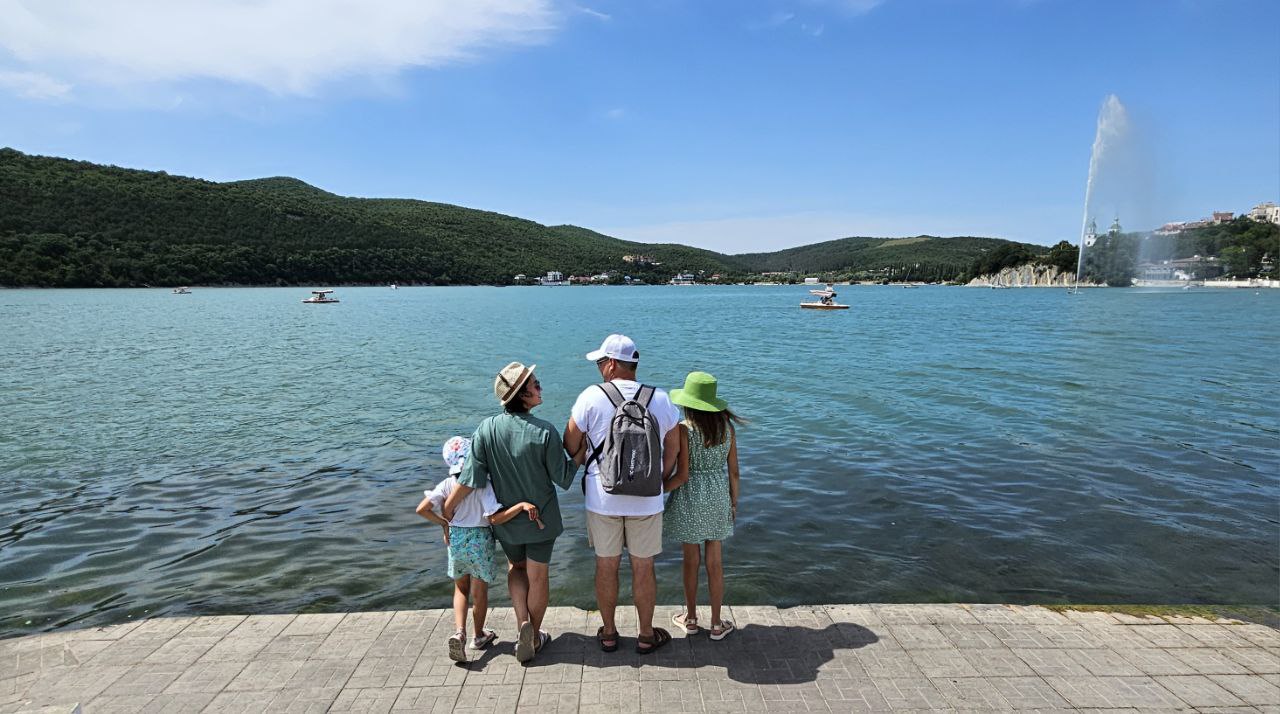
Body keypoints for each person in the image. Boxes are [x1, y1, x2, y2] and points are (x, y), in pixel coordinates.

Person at [443, 362, 577, 664]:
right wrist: (580, 454)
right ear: (523, 395)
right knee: (538, 577)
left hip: (505, 520)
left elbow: (470, 479)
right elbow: (565, 478)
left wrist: (448, 507)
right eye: (535, 384)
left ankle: (522, 626)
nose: (540, 387)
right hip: (542, 520)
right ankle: (536, 634)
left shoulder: (486, 429)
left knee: (516, 569)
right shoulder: (545, 431)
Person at [564, 334, 681, 654]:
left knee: (606, 565)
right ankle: (645, 635)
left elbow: (570, 443)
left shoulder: (591, 396)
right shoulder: (660, 399)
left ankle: (610, 634)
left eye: (601, 362)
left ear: (613, 364)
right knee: (644, 567)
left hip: (602, 499)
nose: (600, 368)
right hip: (648, 498)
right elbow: (674, 445)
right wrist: (657, 478)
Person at [416, 436, 545, 663]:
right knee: (479, 592)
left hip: (456, 540)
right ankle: (478, 635)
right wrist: (520, 506)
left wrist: (444, 523)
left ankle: (459, 633)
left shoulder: (446, 485)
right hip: (480, 540)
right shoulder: (483, 484)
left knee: (460, 589)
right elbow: (495, 518)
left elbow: (422, 509)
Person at [662, 372, 743, 641]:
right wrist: (733, 502)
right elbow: (734, 473)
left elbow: (682, 474)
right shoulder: (727, 429)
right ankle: (718, 624)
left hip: (689, 498)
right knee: (715, 563)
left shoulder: (684, 430)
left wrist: (656, 491)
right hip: (718, 496)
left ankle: (692, 618)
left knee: (690, 562)